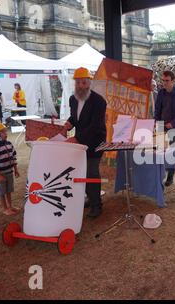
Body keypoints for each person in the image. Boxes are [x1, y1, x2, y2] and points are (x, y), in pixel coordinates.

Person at [63, 67, 107, 218]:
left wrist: (77, 138)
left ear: (89, 83)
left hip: (96, 142)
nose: (80, 86)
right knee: (82, 171)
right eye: (77, 83)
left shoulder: (99, 101)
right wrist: (69, 123)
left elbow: (95, 125)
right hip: (81, 143)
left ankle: (97, 205)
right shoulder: (72, 99)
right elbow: (75, 118)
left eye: (83, 83)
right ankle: (90, 198)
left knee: (91, 172)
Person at [154, 70, 175, 187]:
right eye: (163, 81)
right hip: (162, 126)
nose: (164, 83)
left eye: (167, 81)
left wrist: (173, 123)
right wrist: (157, 124)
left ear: (173, 81)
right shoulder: (160, 93)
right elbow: (157, 111)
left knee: (171, 152)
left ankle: (170, 176)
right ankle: (159, 174)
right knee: (158, 151)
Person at [0, 123, 20, 216]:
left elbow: (13, 157)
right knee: (2, 192)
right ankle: (5, 208)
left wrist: (16, 169)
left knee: (9, 190)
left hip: (9, 172)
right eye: (2, 132)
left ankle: (10, 206)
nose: (6, 133)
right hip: (0, 174)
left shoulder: (9, 144)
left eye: (5, 131)